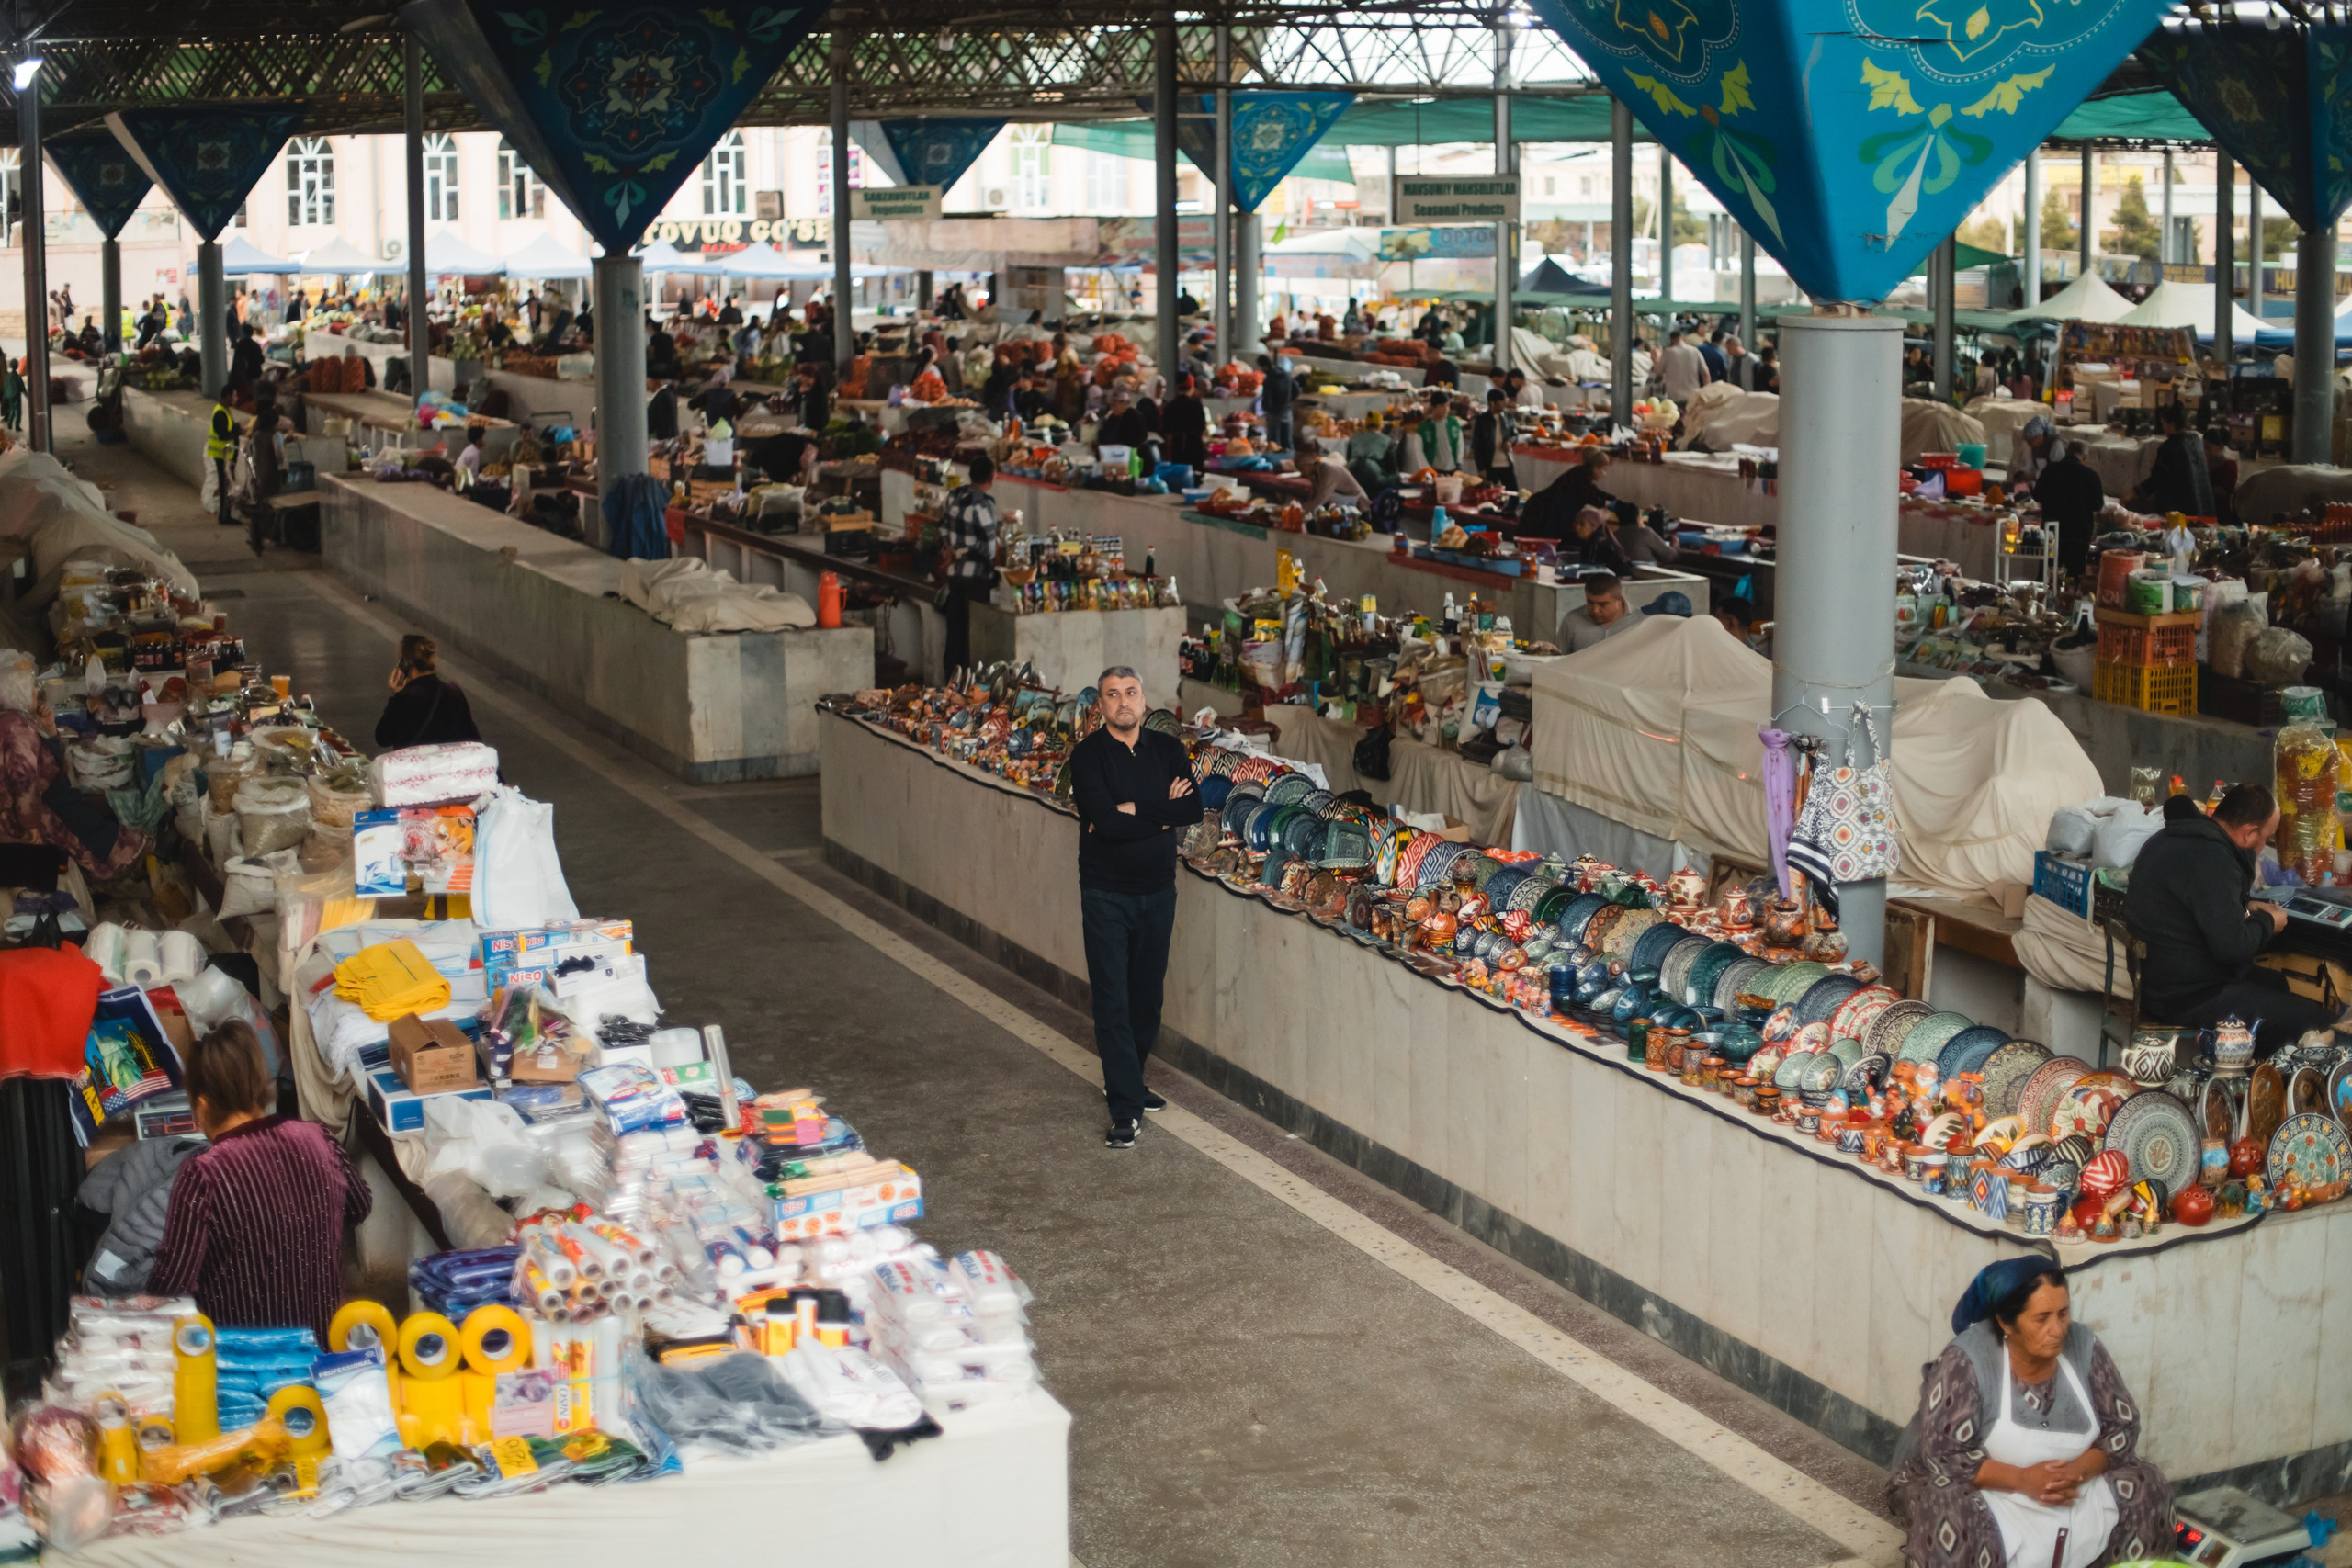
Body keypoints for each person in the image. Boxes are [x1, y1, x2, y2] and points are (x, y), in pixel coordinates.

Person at [1888, 1259, 2173, 1568]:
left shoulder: (2084, 1346)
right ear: (2006, 1323)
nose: (2057, 1330)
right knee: (1947, 1504)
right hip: (1988, 1491)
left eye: (2063, 1313)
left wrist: (2078, 1471)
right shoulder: (1967, 1360)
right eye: (2041, 1318)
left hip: (2072, 1490)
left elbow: (2123, 1426)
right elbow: (1944, 1455)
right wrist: (2023, 1479)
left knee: (2147, 1484)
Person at [148, 1021, 373, 1343]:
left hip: (244, 1360)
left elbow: (172, 1285)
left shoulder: (204, 1173)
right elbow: (359, 1206)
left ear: (202, 1105)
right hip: (324, 1348)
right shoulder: (317, 1137)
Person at [1068, 667, 1196, 1148]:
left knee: (1147, 1000)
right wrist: (1158, 813)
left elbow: (1190, 810)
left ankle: (1129, 1079)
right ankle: (1125, 1107)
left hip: (1159, 891)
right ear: (1101, 705)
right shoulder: (1088, 756)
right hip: (1106, 893)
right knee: (1112, 1000)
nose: (1123, 701)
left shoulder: (1168, 749)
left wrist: (1135, 810)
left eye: (1131, 692)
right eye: (1113, 694)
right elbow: (1105, 823)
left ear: (1144, 700)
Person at [2122, 783, 2337, 1048]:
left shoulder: (2170, 838)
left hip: (2160, 984)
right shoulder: (2213, 858)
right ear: (2249, 833)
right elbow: (2232, 948)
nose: (2263, 846)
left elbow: (2200, 904)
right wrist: (2268, 922)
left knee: (2277, 983)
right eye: (2266, 838)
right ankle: (2254, 1070)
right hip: (2186, 997)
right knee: (2320, 1023)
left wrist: (2246, 906)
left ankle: (2255, 1068)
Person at [939, 454, 1000, 677]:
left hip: (955, 576)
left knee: (955, 631)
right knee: (972, 637)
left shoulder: (953, 497)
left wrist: (951, 550)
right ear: (992, 478)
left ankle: (950, 681)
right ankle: (968, 684)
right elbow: (990, 549)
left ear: (971, 475)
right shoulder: (983, 505)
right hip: (976, 579)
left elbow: (943, 529)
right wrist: (970, 550)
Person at [377, 634, 482, 750]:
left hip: (415, 761)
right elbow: (471, 737)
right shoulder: (454, 692)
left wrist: (394, 698)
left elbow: (383, 738)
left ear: (405, 663)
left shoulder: (405, 697)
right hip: (448, 760)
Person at [2126, 401, 2214, 518]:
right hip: (2203, 506)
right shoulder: (2196, 441)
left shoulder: (2169, 447)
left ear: (2172, 425)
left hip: (2180, 510)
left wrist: (2133, 493)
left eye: (2164, 424)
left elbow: (2157, 479)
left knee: (2131, 505)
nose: (2163, 428)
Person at [2033, 445, 2105, 581]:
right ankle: (2071, 594)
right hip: (2078, 535)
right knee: (2075, 575)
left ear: (2066, 452)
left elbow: (2037, 496)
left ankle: (2042, 594)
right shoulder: (2091, 475)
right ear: (2085, 457)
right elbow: (2098, 505)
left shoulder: (2050, 470)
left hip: (2052, 533)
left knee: (2046, 574)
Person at [1558, 571, 1638, 651]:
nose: (1595, 610)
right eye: (1590, 602)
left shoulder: (1640, 621)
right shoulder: (1572, 621)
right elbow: (1557, 657)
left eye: (1602, 604)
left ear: (1619, 600)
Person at [1298, 436, 1368, 512]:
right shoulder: (1315, 473)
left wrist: (1304, 509)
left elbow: (1322, 497)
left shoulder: (1329, 471)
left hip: (1356, 503)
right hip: (1340, 503)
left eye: (1302, 469)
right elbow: (1314, 494)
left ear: (1310, 465)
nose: (1302, 472)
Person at [1404, 391, 1464, 476]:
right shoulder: (1424, 427)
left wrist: (1458, 463)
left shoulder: (1453, 423)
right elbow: (1419, 451)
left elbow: (1460, 443)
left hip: (1452, 468)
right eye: (1442, 406)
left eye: (1448, 406)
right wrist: (1428, 469)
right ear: (1434, 407)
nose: (1446, 409)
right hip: (1434, 469)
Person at [1470, 389, 1517, 488]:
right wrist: (1481, 468)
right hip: (1489, 465)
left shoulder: (1508, 417)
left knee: (1513, 492)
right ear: (1492, 403)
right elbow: (1476, 446)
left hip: (1507, 463)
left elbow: (1514, 435)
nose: (1505, 403)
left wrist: (1509, 442)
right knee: (1490, 492)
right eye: (1502, 401)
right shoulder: (1482, 420)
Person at [1345, 412, 1399, 496]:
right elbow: (1391, 467)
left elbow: (1348, 458)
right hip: (1372, 474)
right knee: (1396, 477)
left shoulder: (1354, 438)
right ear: (1381, 425)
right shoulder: (1386, 440)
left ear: (1366, 424)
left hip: (1351, 473)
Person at [1161, 375, 1208, 470]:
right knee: (1195, 474)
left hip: (1176, 447)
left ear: (1177, 388)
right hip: (1194, 447)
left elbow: (1166, 430)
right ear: (1192, 388)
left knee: (1178, 472)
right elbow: (1202, 428)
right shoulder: (1196, 405)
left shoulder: (1169, 406)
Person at [2008, 415, 2068, 489]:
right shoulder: (2033, 446)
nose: (2029, 444)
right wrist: (2022, 474)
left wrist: (2033, 476)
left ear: (2039, 436)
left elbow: (2056, 472)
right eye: (2028, 441)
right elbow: (2031, 466)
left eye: (2031, 440)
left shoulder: (2056, 444)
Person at [206, 394, 237, 528]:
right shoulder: (220, 412)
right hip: (221, 455)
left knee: (226, 485)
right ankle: (224, 516)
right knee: (225, 485)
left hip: (224, 454)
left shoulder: (224, 410)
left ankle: (225, 514)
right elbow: (223, 434)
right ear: (226, 397)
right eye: (233, 396)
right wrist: (237, 431)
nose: (235, 399)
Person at [1613, 507, 1680, 564]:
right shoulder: (1645, 533)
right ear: (1638, 518)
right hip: (1647, 573)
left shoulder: (1614, 534)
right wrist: (1675, 547)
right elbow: (1669, 555)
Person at [1657, 328, 1708, 403]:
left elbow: (1658, 371)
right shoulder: (1695, 351)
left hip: (1674, 396)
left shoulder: (1668, 352)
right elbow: (1706, 374)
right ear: (1683, 338)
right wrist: (1706, 393)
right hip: (1693, 396)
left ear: (1671, 340)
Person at [1257, 354, 1294, 452]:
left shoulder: (1269, 379)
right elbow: (1296, 389)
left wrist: (1268, 409)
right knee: (1287, 440)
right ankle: (1289, 458)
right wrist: (1288, 402)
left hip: (1274, 413)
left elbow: (1267, 398)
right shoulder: (1286, 374)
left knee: (1274, 443)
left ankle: (1275, 460)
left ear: (1264, 366)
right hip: (1286, 410)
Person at [2202, 426, 2239, 525]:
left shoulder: (2229, 465)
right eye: (2203, 447)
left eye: (2208, 447)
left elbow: (2226, 492)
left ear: (2219, 447)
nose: (2205, 451)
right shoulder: (2203, 464)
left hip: (2222, 514)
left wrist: (2203, 487)